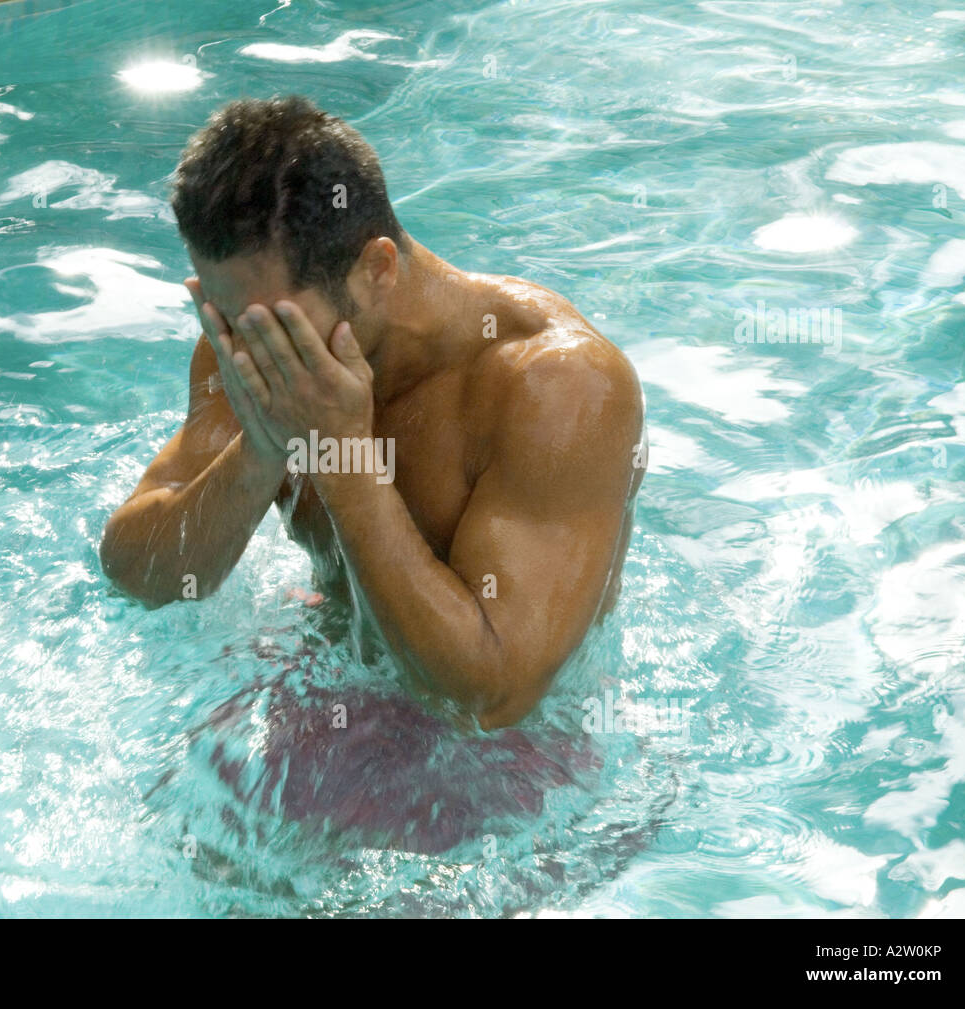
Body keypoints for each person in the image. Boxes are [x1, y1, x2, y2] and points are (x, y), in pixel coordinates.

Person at [101, 96, 645, 730]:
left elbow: (490, 700)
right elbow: (139, 579)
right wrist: (263, 446)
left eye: (277, 323)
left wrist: (343, 457)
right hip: (332, 689)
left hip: (515, 757)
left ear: (376, 270)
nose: (248, 347)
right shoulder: (251, 347)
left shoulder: (555, 387)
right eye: (223, 313)